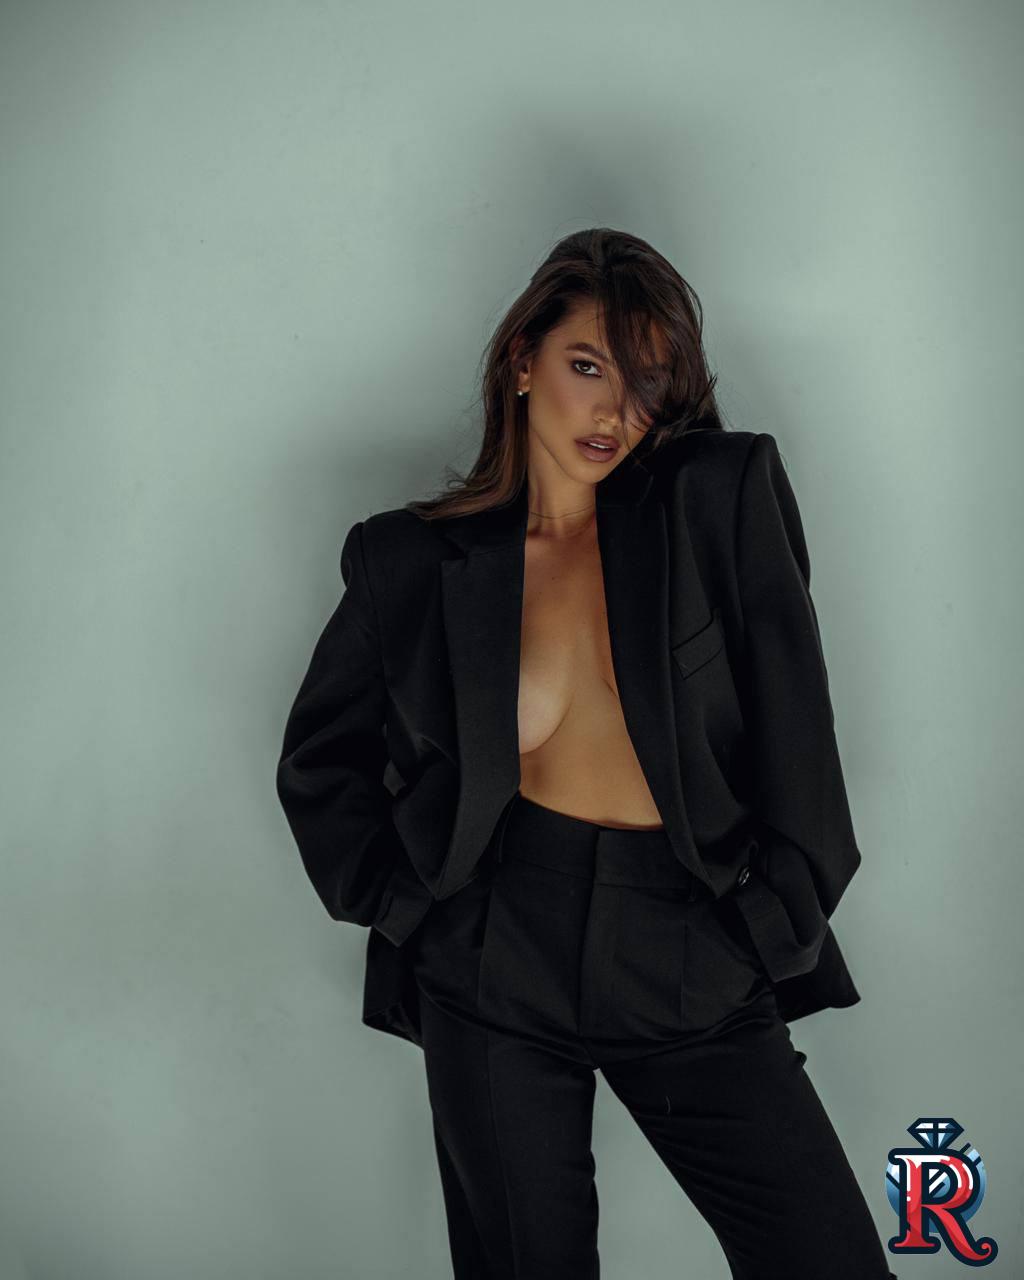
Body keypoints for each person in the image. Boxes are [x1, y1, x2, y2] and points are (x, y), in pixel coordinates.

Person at [276, 227, 897, 1278]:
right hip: (493, 961)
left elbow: (800, 737)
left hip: (691, 951)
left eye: (646, 381)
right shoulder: (411, 561)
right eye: (587, 364)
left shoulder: (715, 503)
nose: (615, 410)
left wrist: (767, 926)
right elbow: (319, 762)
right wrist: (411, 912)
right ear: (522, 361)